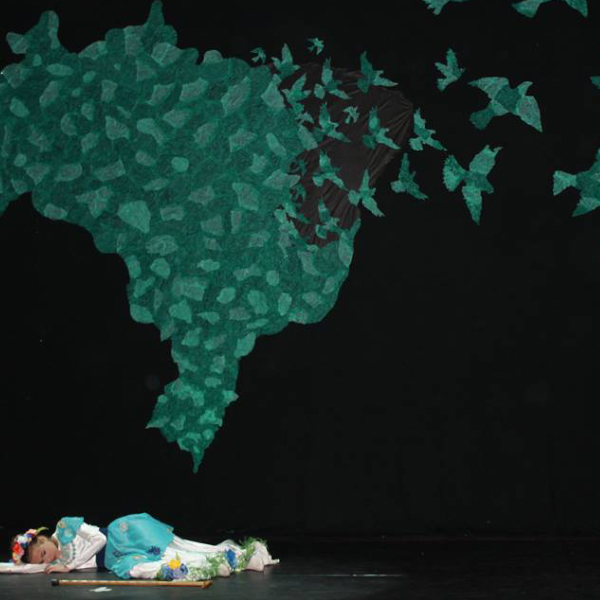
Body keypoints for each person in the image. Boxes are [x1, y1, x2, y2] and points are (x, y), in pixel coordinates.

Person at [1, 513, 279, 580]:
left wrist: (70, 565)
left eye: (43, 552)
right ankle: (205, 565)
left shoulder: (64, 526)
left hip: (122, 537)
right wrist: (12, 565)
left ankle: (235, 555)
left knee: (172, 549)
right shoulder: (52, 564)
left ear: (43, 538)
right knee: (141, 570)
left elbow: (99, 539)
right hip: (116, 561)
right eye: (41, 560)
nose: (46, 559)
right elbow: (24, 569)